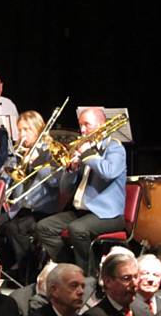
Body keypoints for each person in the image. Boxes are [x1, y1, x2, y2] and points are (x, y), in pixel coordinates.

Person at [35, 107, 126, 276]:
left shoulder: (114, 148)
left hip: (108, 215)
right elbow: (66, 189)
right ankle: (70, 268)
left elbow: (108, 172)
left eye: (87, 125)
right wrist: (71, 170)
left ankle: (88, 276)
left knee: (77, 229)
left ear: (101, 125)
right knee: (43, 227)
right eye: (80, 125)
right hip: (83, 211)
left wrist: (87, 154)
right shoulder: (84, 150)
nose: (82, 130)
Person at [0, 111, 60, 283]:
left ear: (38, 130)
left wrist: (36, 163)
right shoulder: (18, 152)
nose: (22, 134)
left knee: (15, 229)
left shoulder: (50, 151)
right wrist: (6, 172)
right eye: (20, 130)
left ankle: (28, 276)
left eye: (27, 130)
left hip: (42, 209)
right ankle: (9, 268)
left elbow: (55, 182)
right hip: (19, 209)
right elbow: (8, 177)